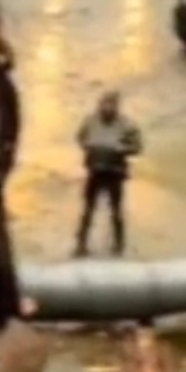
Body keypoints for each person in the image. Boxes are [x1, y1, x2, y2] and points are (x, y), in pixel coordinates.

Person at [76, 90, 142, 256]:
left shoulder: (127, 125)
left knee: (116, 211)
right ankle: (81, 245)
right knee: (88, 209)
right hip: (95, 171)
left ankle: (119, 247)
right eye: (104, 104)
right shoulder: (90, 121)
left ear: (117, 107)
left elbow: (138, 147)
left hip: (115, 172)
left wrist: (122, 149)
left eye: (111, 105)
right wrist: (88, 146)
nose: (107, 108)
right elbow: (80, 138)